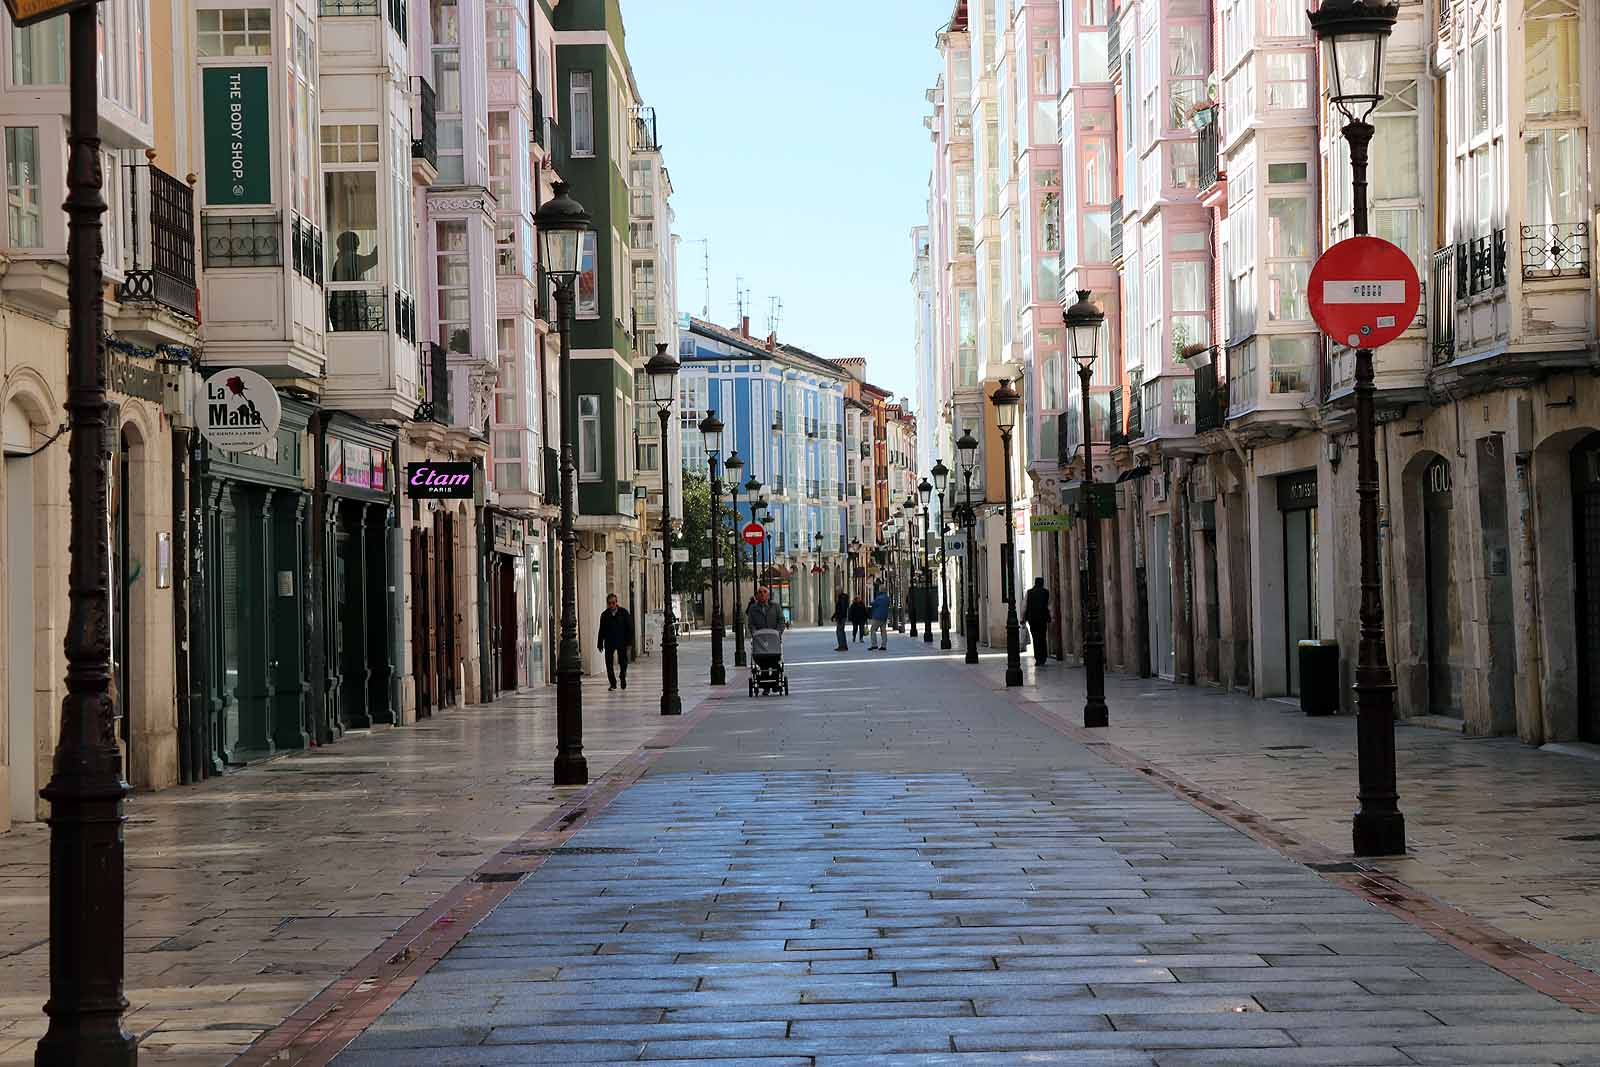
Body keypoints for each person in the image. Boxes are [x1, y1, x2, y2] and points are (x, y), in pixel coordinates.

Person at [596, 592, 633, 690]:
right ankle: (613, 683)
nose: (611, 605)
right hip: (609, 642)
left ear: (616, 602)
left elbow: (629, 628)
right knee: (608, 664)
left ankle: (622, 676)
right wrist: (600, 643)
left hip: (622, 641)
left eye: (613, 603)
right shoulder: (604, 615)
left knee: (623, 662)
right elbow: (601, 629)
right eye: (609, 603)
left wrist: (629, 643)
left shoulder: (624, 613)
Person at [747, 586, 786, 672]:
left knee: (775, 659)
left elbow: (781, 621)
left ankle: (775, 675)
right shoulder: (753, 609)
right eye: (760, 592)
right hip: (760, 641)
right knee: (760, 658)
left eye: (764, 592)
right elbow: (751, 624)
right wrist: (754, 633)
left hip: (773, 641)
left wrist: (778, 633)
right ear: (756, 596)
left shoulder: (775, 606)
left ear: (768, 595)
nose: (762, 594)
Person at [1023, 576, 1051, 667]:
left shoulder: (1029, 592)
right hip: (1042, 619)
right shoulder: (1046, 592)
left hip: (1032, 619)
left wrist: (1023, 618)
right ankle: (1043, 657)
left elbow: (1025, 606)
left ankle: (1038, 658)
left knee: (1035, 638)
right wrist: (1050, 617)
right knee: (1042, 637)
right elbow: (1048, 606)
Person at [868, 583, 890, 651]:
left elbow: (873, 604)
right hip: (884, 616)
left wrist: (871, 603)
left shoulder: (879, 597)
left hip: (877, 616)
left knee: (873, 629)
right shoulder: (887, 598)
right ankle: (884, 645)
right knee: (883, 631)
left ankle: (874, 645)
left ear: (880, 590)